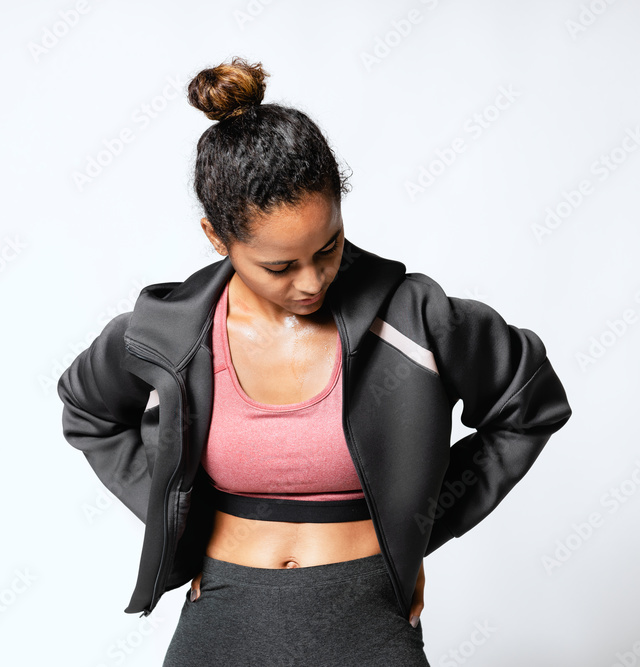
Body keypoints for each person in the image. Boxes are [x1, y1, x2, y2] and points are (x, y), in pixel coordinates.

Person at [57, 56, 573, 666]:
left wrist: (408, 530)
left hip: (368, 621)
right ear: (217, 239)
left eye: (327, 247)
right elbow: (89, 411)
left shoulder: (417, 319)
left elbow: (529, 406)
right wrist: (180, 524)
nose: (312, 282)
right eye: (279, 266)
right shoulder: (169, 334)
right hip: (223, 617)